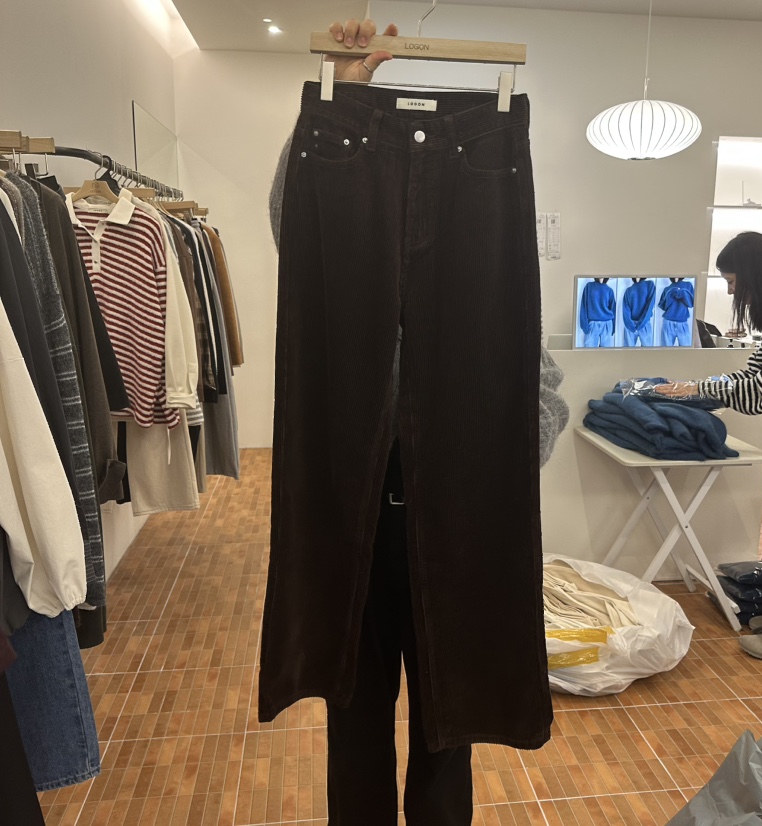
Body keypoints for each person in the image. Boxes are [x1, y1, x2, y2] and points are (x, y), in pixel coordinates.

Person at [265, 19, 570, 824]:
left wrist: (480, 462)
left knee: (448, 732)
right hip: (354, 521)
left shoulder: (493, 298)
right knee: (354, 725)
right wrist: (340, 103)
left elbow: (544, 398)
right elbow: (295, 219)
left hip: (456, 527)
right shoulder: (339, 273)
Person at [656, 232, 762, 662]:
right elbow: (756, 371)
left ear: (754, 273)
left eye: (733, 282)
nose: (731, 292)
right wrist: (699, 387)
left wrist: (699, 389)